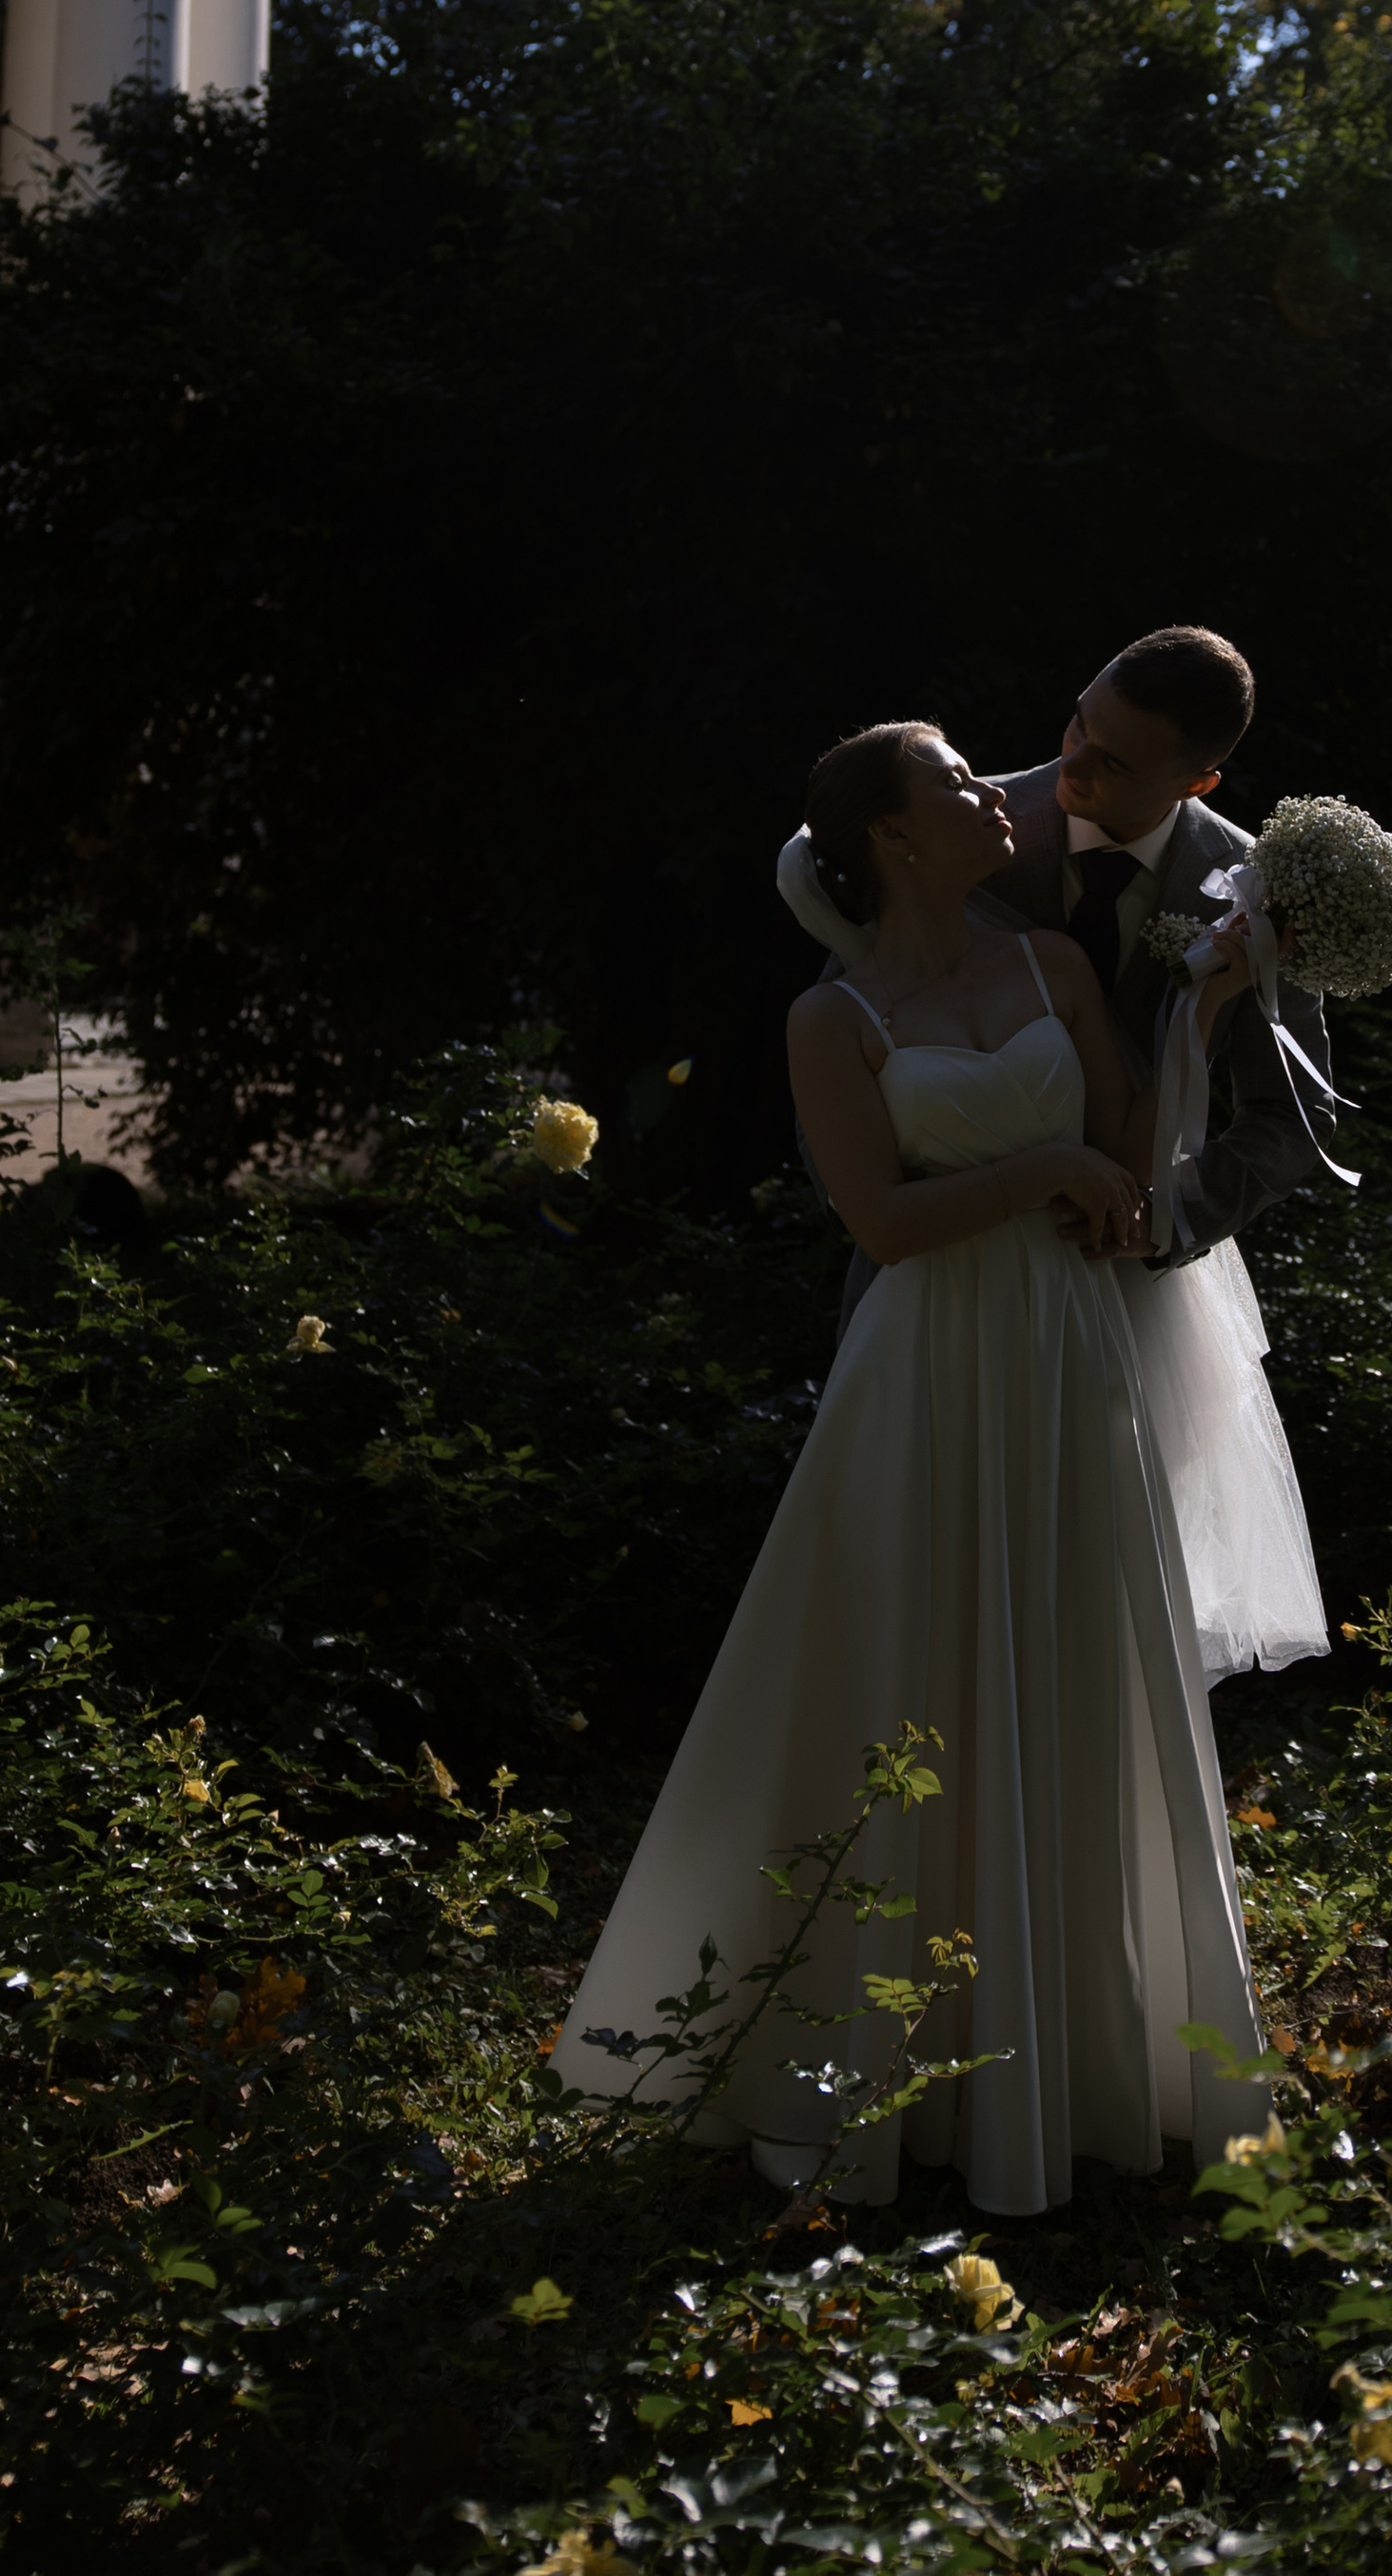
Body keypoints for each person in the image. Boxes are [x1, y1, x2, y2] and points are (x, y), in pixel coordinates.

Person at [553, 720, 1271, 2213]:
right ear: (889, 836)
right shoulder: (837, 1016)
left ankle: (1077, 2055)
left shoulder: (1055, 967)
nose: (990, 791)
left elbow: (1131, 1168)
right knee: (906, 1677)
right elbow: (879, 1220)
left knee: (1070, 1664)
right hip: (930, 1361)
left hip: (1068, 1357)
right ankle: (860, 2062)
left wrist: (1198, 1018)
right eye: (950, 781)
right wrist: (1039, 1176)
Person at [782, 626, 1330, 1684]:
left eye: (1114, 763)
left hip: (1132, 1291)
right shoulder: (955, 818)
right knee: (920, 1621)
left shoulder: (1251, 885)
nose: (1069, 768)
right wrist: (907, 1216)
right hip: (942, 1278)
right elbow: (856, 1057)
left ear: (1195, 778)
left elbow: (1289, 1116)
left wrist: (1154, 1220)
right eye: (1078, 723)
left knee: (1094, 1621)